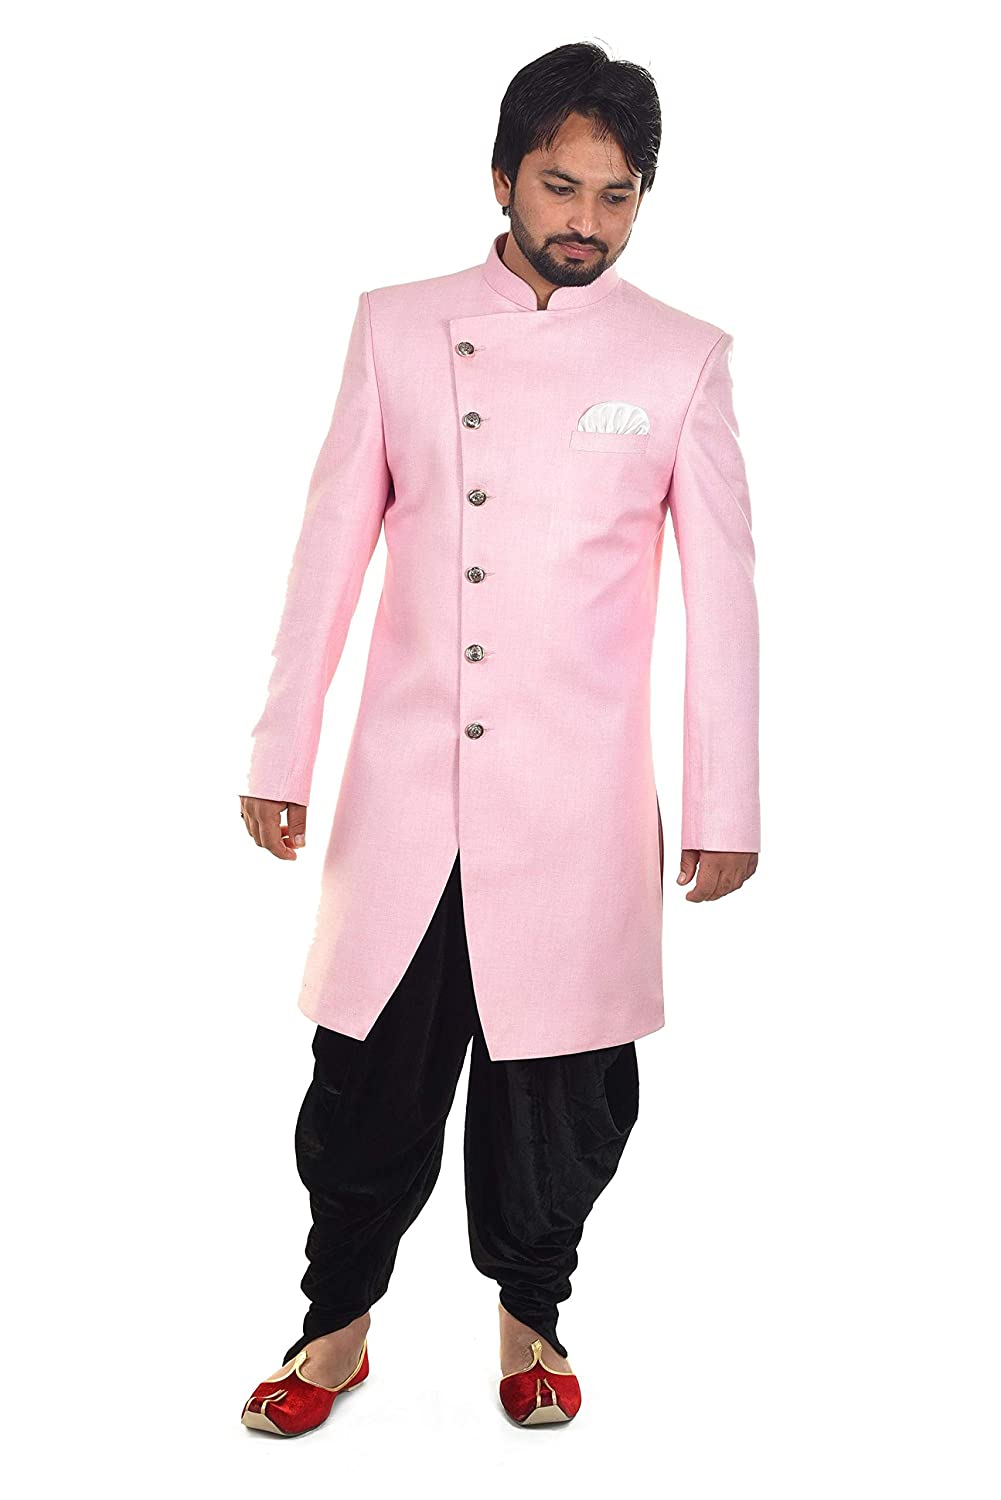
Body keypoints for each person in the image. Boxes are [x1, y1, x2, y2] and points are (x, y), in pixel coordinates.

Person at [239, 39, 759, 1435]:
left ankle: (532, 1316)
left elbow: (723, 602)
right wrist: (281, 752)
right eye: (560, 185)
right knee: (364, 1086)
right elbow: (327, 552)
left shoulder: (680, 357)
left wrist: (724, 802)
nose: (586, 219)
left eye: (617, 194)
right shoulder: (397, 325)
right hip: (408, 789)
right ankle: (334, 1332)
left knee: (562, 1099)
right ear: (502, 178)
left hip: (578, 807)